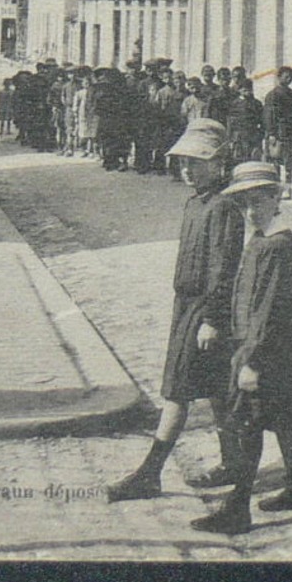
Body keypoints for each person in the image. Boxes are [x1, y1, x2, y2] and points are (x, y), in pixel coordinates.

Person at [107, 119, 246, 502]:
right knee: (216, 388)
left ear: (219, 163)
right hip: (185, 307)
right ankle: (233, 460)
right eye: (184, 162)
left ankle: (149, 473)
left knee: (177, 391)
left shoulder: (224, 207)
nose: (187, 170)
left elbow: (225, 269)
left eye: (197, 163)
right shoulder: (197, 202)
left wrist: (213, 319)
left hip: (205, 311)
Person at [190, 161, 292, 535]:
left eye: (258, 200)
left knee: (249, 422)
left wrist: (251, 360)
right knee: (278, 417)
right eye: (243, 203)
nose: (249, 210)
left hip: (266, 350)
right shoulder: (261, 238)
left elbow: (269, 309)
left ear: (276, 197)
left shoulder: (277, 244)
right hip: (262, 346)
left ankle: (238, 507)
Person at [261, 66, 292, 197]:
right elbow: (268, 116)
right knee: (276, 161)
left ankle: (288, 189)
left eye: (291, 77)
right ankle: (278, 189)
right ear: (279, 77)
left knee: (289, 163)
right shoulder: (272, 95)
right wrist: (271, 133)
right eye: (286, 77)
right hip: (277, 132)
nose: (289, 79)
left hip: (289, 132)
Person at [226, 75, 266, 166]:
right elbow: (230, 122)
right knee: (238, 161)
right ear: (239, 90)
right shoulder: (234, 104)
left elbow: (262, 121)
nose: (247, 92)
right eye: (244, 90)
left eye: (249, 89)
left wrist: (260, 135)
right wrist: (230, 139)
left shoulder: (257, 104)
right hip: (238, 137)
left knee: (253, 161)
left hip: (253, 137)